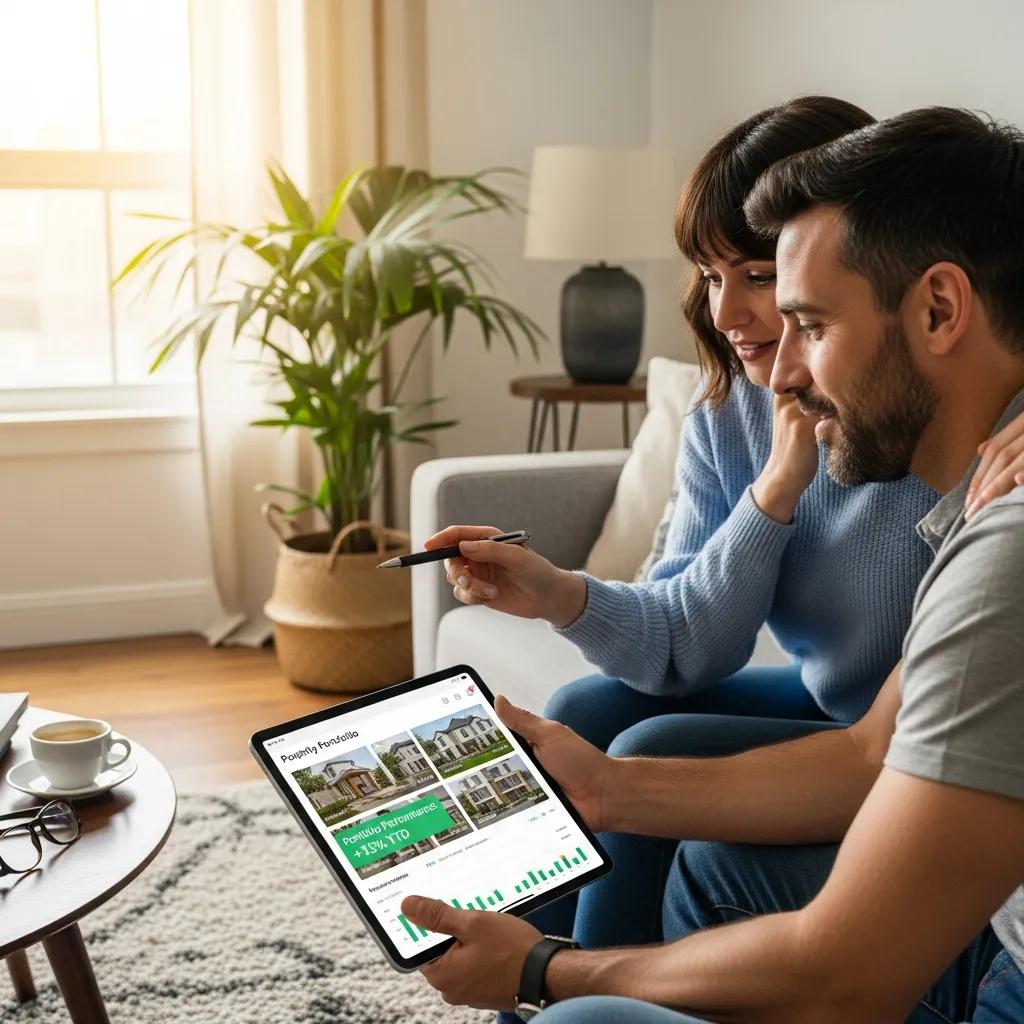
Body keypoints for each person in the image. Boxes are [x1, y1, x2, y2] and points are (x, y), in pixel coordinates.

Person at [402, 105, 1024, 1023]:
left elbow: (847, 967)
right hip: (878, 728)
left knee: (592, 982)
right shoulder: (773, 418)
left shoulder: (985, 509)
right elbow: (845, 738)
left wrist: (552, 971)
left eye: (790, 302)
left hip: (956, 863)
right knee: (604, 727)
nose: (764, 352)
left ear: (938, 307)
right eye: (710, 276)